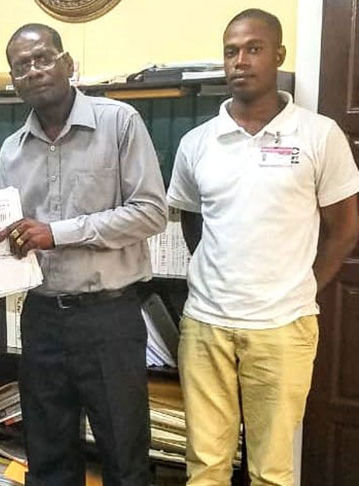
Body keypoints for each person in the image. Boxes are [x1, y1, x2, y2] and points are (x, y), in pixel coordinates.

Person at [0, 23, 166, 486]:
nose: (33, 70)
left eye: (43, 58)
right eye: (21, 65)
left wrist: (56, 233)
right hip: (43, 319)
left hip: (109, 318)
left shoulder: (119, 123)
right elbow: (2, 245)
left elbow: (150, 213)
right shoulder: (11, 152)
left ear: (68, 64)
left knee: (125, 457)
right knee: (48, 458)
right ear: (13, 79)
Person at [167, 9, 359, 486]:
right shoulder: (196, 142)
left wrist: (304, 286)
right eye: (231, 50)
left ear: (278, 55)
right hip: (206, 325)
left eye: (253, 49)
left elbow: (345, 228)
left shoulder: (319, 135)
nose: (241, 60)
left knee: (271, 470)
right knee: (204, 467)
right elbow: (193, 219)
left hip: (282, 327)